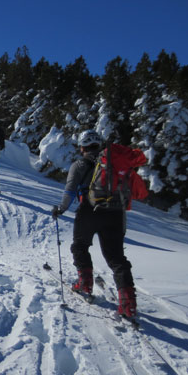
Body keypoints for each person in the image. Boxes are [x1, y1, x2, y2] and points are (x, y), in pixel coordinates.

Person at [51, 129, 140, 319]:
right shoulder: (114, 165)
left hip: (89, 211)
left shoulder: (80, 164)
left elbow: (70, 190)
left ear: (82, 147)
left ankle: (85, 283)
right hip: (115, 213)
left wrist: (60, 209)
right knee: (117, 258)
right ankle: (128, 303)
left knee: (80, 246)